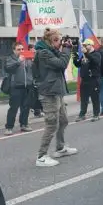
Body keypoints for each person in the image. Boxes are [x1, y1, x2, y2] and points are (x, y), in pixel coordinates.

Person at [33, 28, 78, 167]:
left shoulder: (51, 51)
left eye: (60, 40)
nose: (60, 43)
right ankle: (41, 156)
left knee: (63, 121)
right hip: (48, 93)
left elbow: (61, 60)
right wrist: (66, 49)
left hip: (56, 91)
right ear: (49, 41)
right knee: (52, 124)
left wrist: (66, 47)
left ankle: (60, 147)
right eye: (57, 40)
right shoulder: (43, 53)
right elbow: (61, 64)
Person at [4, 42, 34, 135]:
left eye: (22, 49)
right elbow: (8, 69)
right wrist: (18, 61)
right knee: (13, 108)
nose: (21, 51)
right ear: (14, 50)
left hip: (27, 85)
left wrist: (33, 60)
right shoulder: (10, 58)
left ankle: (24, 124)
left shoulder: (27, 57)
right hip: (16, 86)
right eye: (18, 49)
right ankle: (9, 127)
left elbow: (33, 69)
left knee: (25, 107)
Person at [73, 39, 102, 122]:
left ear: (91, 45)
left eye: (86, 45)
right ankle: (82, 114)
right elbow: (78, 64)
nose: (84, 47)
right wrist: (75, 55)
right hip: (84, 79)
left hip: (94, 79)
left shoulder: (97, 54)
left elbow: (95, 62)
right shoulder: (84, 55)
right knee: (84, 99)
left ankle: (96, 114)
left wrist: (86, 53)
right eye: (84, 45)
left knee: (95, 98)